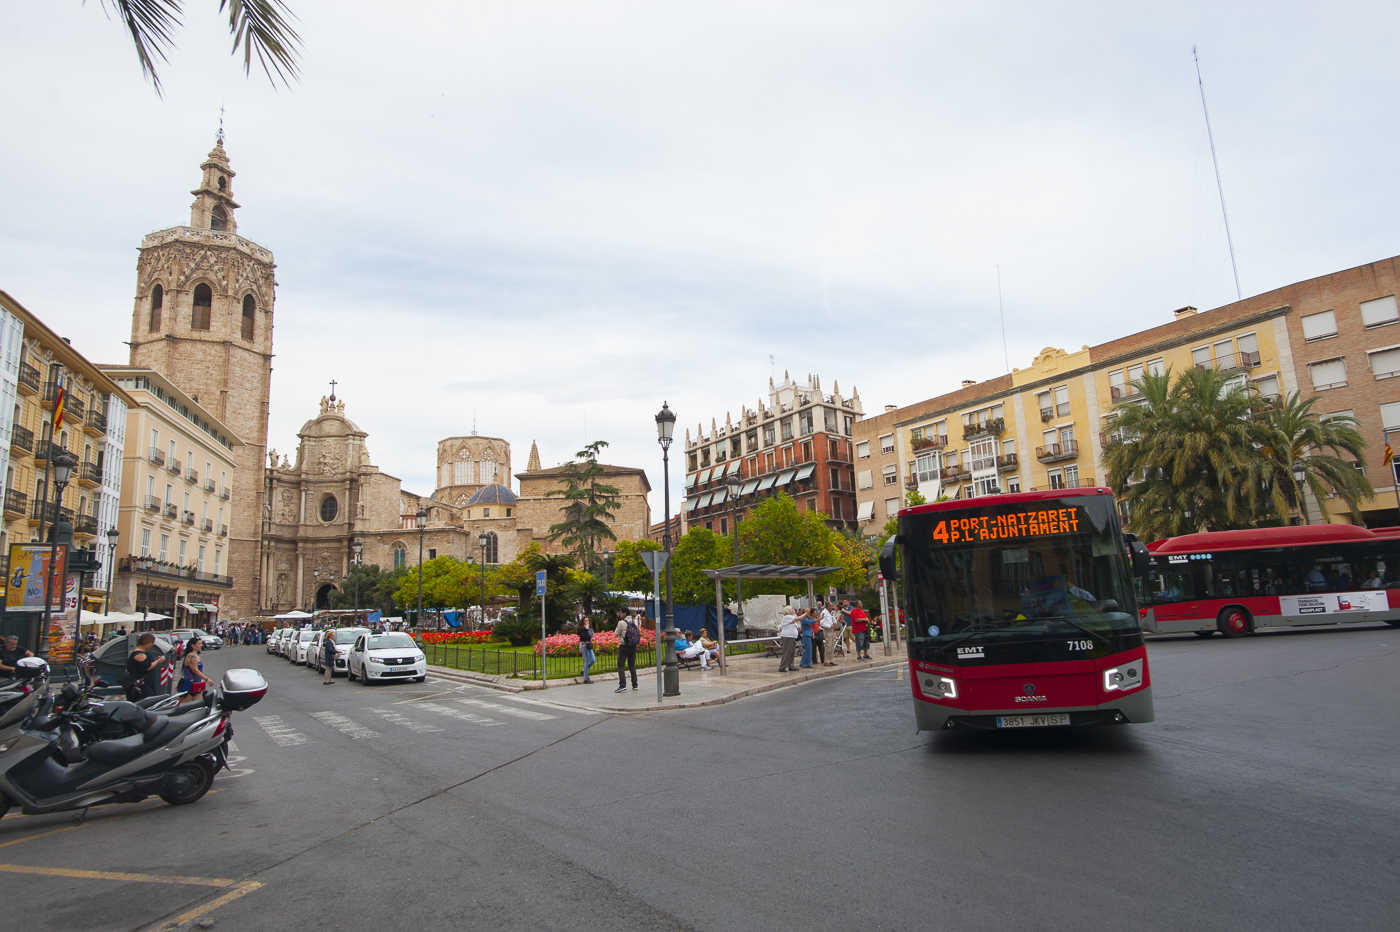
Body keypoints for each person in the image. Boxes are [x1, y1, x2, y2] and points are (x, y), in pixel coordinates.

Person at [126, 633, 167, 700]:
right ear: (148, 643)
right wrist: (158, 661)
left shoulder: (139, 653)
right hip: (141, 686)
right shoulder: (140, 655)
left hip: (142, 684)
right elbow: (147, 667)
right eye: (152, 643)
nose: (152, 645)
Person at [615, 613, 641, 693]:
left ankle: (622, 685)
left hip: (624, 646)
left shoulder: (621, 622)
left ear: (623, 613)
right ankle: (635, 685)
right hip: (633, 646)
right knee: (632, 666)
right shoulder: (634, 621)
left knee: (620, 665)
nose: (619, 614)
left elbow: (616, 633)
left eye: (620, 612)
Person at [817, 601, 838, 665]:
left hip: (832, 630)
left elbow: (834, 620)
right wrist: (829, 626)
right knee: (828, 646)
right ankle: (826, 661)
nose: (832, 607)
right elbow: (821, 623)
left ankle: (831, 660)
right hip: (827, 630)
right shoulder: (824, 612)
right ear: (828, 606)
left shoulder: (831, 612)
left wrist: (834, 623)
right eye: (831, 606)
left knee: (832, 646)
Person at [578, 618, 596, 683]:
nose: (587, 621)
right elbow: (583, 637)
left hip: (589, 645)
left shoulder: (590, 628)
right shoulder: (581, 629)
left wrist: (589, 630)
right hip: (583, 645)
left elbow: (591, 636)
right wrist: (586, 629)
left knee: (593, 660)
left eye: (588, 620)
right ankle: (586, 679)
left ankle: (584, 670)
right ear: (583, 622)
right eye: (585, 620)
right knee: (586, 661)